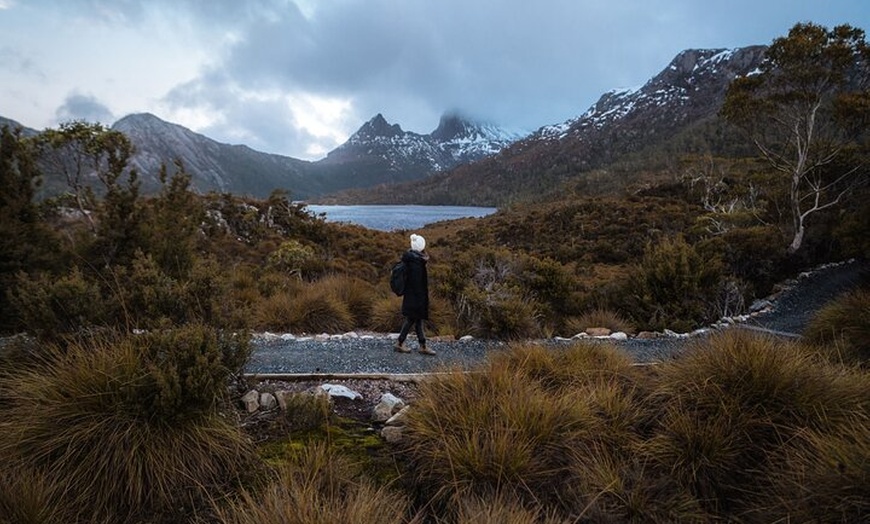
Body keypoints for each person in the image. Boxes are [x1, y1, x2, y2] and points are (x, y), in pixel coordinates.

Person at [394, 233, 436, 355]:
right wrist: (422, 300)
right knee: (412, 319)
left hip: (411, 296)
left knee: (416, 320)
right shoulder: (416, 263)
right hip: (416, 297)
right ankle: (400, 343)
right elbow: (418, 284)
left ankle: (422, 345)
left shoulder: (412, 259)